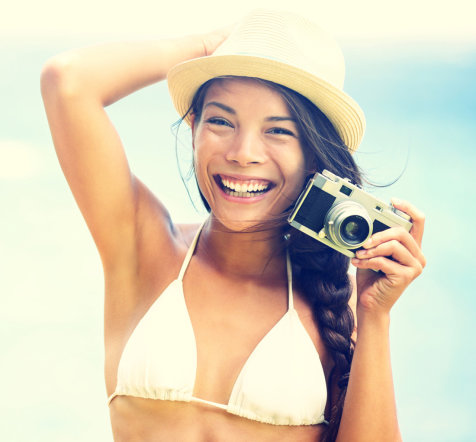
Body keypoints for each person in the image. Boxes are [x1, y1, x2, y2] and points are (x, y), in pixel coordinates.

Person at [41, 9, 425, 442]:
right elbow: (67, 82)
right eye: (221, 121)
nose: (243, 153)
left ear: (314, 158)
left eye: (278, 131)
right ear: (193, 128)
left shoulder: (336, 304)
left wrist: (376, 316)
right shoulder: (143, 246)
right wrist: (208, 50)